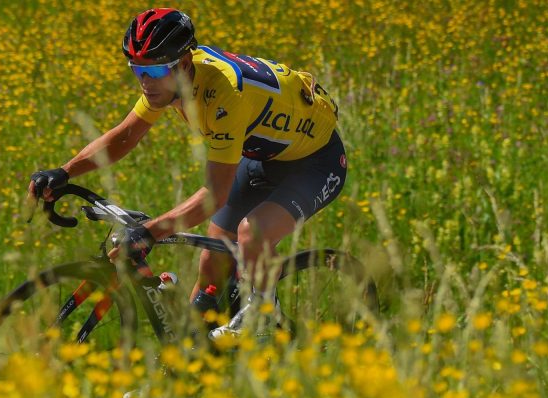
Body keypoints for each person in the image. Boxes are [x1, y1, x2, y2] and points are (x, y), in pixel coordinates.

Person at [28, 8, 347, 341]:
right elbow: (126, 135)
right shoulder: (168, 82)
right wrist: (64, 172)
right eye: (138, 69)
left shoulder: (223, 95)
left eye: (153, 70)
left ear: (183, 64)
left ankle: (261, 320)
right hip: (262, 156)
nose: (145, 82)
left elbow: (214, 195)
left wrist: (149, 232)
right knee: (213, 260)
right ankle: (189, 361)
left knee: (252, 234)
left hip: (315, 161)